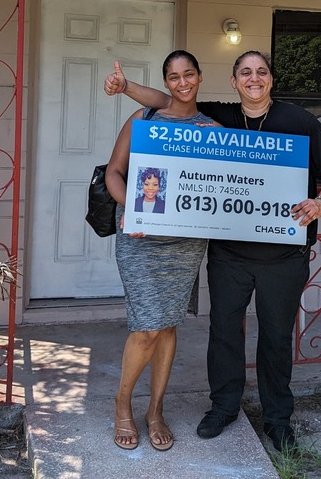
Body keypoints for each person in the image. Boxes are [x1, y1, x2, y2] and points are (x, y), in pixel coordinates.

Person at [105, 50, 321, 452]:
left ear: (271, 78)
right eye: (245, 73)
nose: (254, 78)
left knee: (273, 339)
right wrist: (126, 86)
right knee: (222, 335)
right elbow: (168, 103)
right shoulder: (222, 119)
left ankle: (277, 420)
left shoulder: (298, 121)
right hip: (227, 255)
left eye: (262, 71)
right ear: (234, 82)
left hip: (283, 255)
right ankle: (223, 408)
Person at [103, 50, 216, 451]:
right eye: (173, 76)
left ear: (199, 77)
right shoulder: (145, 120)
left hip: (184, 244)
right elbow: (114, 172)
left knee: (168, 325)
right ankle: (122, 404)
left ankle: (155, 410)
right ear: (166, 81)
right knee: (147, 326)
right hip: (140, 238)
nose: (182, 82)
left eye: (189, 74)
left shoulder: (212, 130)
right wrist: (130, 212)